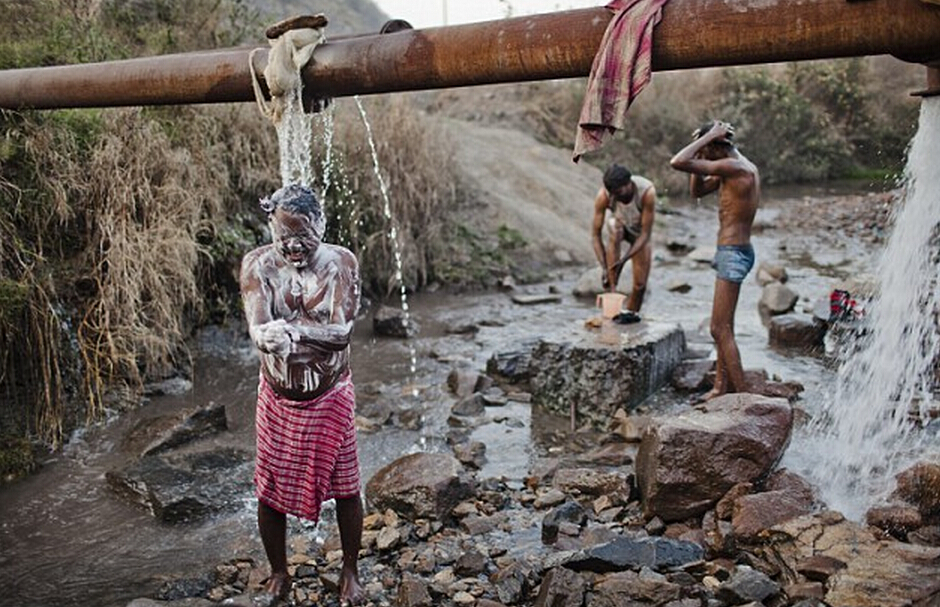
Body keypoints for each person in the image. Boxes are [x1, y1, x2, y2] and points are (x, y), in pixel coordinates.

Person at [239, 184, 364, 606]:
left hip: (331, 394)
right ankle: (278, 571)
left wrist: (293, 331)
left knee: (346, 486)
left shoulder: (340, 263)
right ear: (271, 230)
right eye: (284, 238)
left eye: (304, 237)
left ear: (322, 226)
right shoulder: (256, 265)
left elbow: (342, 332)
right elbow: (258, 326)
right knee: (268, 488)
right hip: (277, 397)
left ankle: (350, 569)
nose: (293, 247)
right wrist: (265, 335)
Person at [670, 120, 759, 401]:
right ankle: (721, 388)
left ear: (716, 143)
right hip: (732, 251)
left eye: (706, 150)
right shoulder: (733, 166)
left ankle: (746, 400)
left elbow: (677, 161)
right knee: (725, 329)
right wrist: (701, 152)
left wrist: (706, 138)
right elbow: (696, 192)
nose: (703, 157)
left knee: (718, 328)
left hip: (733, 253)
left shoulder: (734, 167)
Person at [591, 163, 657, 313]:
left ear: (629, 183)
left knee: (640, 286)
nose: (616, 198)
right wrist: (605, 267)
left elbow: (645, 234)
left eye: (619, 192)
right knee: (615, 229)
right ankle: (611, 310)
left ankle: (631, 316)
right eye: (612, 194)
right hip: (618, 227)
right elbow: (595, 235)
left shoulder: (646, 192)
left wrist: (624, 259)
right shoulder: (604, 196)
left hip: (638, 234)